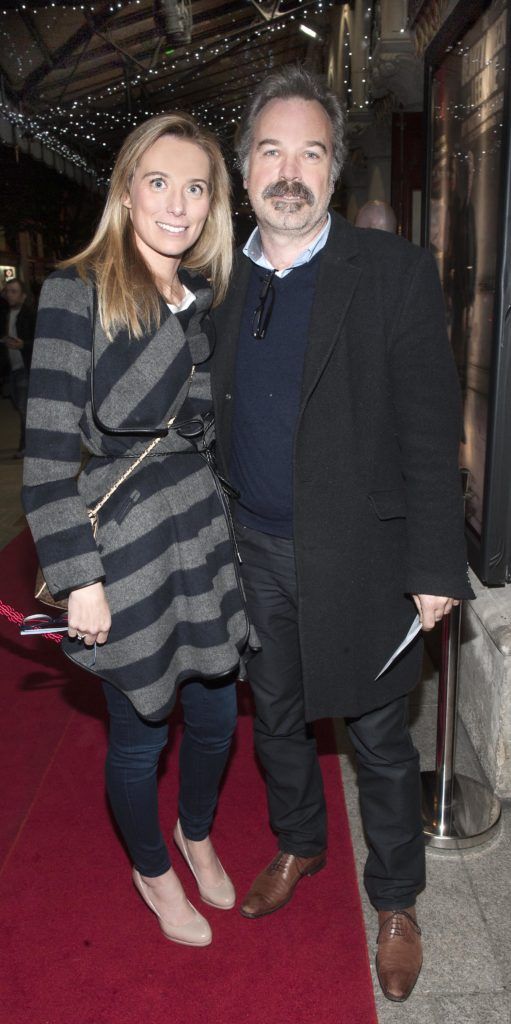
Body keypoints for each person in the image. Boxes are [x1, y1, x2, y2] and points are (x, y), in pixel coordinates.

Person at [210, 65, 473, 1001]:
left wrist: (436, 564)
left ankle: (396, 899)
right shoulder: (216, 280)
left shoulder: (392, 275)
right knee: (275, 715)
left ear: (333, 172)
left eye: (309, 154)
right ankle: (299, 842)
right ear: (244, 172)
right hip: (252, 554)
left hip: (363, 555)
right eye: (271, 152)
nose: (290, 171)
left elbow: (426, 432)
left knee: (379, 740)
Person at [22, 112, 255, 949]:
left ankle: (196, 832)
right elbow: (47, 455)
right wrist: (78, 574)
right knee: (139, 732)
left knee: (220, 717)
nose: (178, 204)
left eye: (196, 188)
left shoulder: (203, 299)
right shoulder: (74, 290)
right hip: (125, 547)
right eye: (159, 182)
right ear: (126, 190)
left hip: (198, 532)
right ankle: (151, 870)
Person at [2, 277, 36, 456]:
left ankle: (26, 446)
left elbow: (39, 341)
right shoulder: (7, 314)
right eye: (7, 291)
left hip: (25, 366)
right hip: (13, 368)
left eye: (14, 291)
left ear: (23, 296)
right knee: (20, 406)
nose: (9, 295)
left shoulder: (29, 314)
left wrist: (23, 345)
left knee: (24, 408)